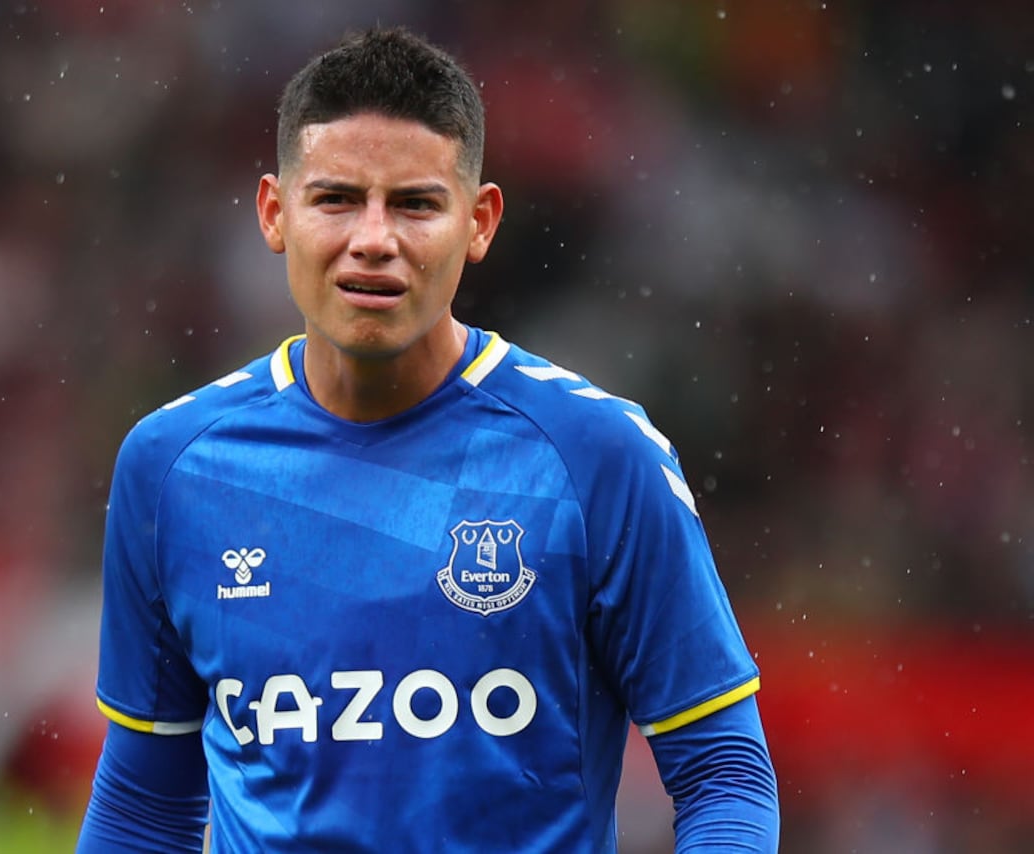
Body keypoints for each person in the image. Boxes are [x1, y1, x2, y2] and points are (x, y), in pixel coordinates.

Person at [76, 26, 779, 853]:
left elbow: (723, 770)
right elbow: (142, 803)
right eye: (336, 198)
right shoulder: (173, 469)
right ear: (275, 213)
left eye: (414, 203)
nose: (374, 239)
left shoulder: (597, 457)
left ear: (478, 223)